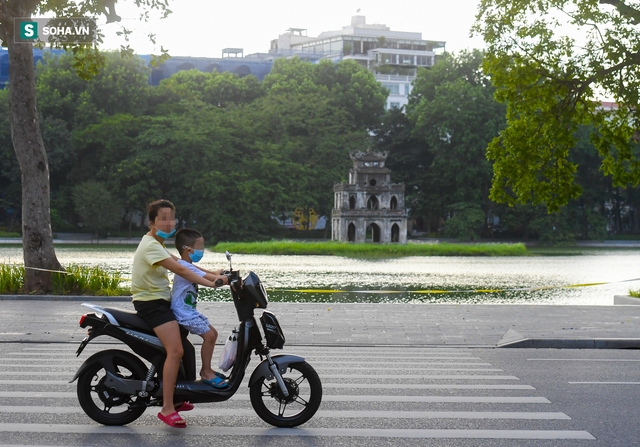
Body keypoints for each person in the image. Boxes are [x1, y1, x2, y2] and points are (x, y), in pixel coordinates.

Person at [131, 199, 228, 429]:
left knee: (187, 349)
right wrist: (213, 283)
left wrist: (213, 272)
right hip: (151, 304)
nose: (168, 223)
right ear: (152, 222)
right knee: (176, 350)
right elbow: (182, 269)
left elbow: (186, 264)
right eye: (162, 218)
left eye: (171, 218)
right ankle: (167, 409)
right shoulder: (151, 246)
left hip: (160, 303)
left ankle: (177, 396)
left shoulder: (156, 243)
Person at [171, 228, 227, 388]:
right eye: (200, 248)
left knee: (213, 333)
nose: (202, 251)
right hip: (182, 312)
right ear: (188, 250)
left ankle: (207, 369)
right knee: (209, 336)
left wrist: (219, 273)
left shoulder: (186, 264)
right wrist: (223, 280)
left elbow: (206, 272)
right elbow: (209, 278)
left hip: (188, 311)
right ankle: (206, 372)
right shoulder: (184, 266)